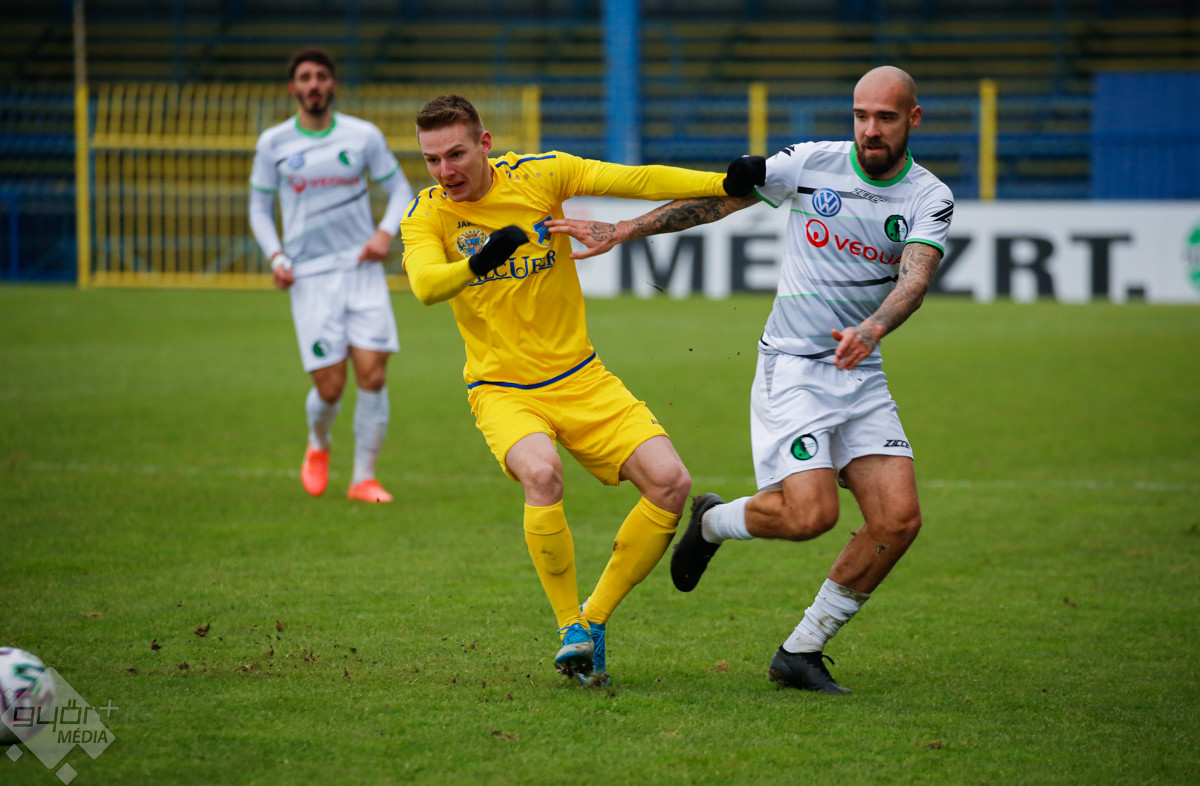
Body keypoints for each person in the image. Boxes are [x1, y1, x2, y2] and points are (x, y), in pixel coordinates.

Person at [546, 66, 953, 694]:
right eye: (861, 116)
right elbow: (721, 200)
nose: (870, 130)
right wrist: (623, 229)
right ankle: (712, 523)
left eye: (886, 118)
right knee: (812, 515)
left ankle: (801, 650)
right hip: (793, 367)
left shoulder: (929, 196)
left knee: (897, 521)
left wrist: (872, 328)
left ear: (913, 119)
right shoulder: (811, 163)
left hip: (860, 367)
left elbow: (915, 279)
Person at [400, 94, 752, 687]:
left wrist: (722, 181)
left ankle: (593, 621)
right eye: (431, 159)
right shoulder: (426, 215)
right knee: (542, 475)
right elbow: (426, 286)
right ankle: (570, 628)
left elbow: (635, 180)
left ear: (484, 144)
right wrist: (481, 261)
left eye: (455, 154)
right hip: (502, 388)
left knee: (671, 484)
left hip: (581, 376)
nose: (444, 171)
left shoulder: (542, 174)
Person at [249, 48, 415, 503]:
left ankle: (363, 478)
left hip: (362, 270)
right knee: (330, 386)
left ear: (333, 85)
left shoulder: (362, 136)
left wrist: (384, 233)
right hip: (310, 277)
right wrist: (276, 256)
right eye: (305, 77)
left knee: (373, 377)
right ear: (293, 88)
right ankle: (319, 442)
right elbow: (258, 208)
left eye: (321, 76)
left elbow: (400, 189)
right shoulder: (274, 143)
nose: (314, 84)